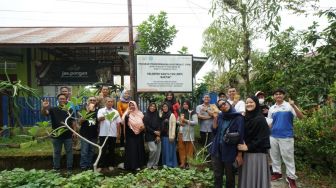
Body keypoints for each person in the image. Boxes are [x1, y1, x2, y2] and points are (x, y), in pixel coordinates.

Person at [268, 88, 304, 188]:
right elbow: (270, 123)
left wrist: (293, 105)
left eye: (280, 94)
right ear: (273, 96)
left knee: (288, 158)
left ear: (283, 95)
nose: (278, 95)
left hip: (286, 136)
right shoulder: (272, 108)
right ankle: (277, 173)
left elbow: (301, 117)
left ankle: (291, 178)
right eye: (276, 94)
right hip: (273, 136)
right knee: (274, 157)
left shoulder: (289, 106)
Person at [237, 96, 271, 188]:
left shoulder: (260, 119)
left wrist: (248, 147)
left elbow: (263, 138)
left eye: (251, 102)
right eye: (247, 103)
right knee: (247, 178)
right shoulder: (244, 118)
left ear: (256, 103)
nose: (249, 104)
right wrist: (240, 153)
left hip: (257, 154)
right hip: (246, 154)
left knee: (256, 178)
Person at [211, 100, 244, 188]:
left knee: (230, 177)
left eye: (224, 103)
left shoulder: (238, 117)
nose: (223, 106)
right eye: (220, 106)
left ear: (228, 103)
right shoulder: (220, 116)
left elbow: (241, 137)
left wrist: (239, 154)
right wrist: (215, 118)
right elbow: (214, 131)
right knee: (217, 176)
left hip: (230, 151)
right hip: (217, 150)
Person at [41, 93, 76, 171]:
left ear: (66, 100)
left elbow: (73, 122)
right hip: (56, 135)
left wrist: (74, 132)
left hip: (68, 135)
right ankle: (56, 168)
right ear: (58, 100)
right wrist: (44, 107)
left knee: (69, 152)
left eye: (63, 98)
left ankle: (69, 168)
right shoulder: (53, 109)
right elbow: (44, 113)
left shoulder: (69, 110)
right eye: (60, 99)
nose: (62, 100)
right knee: (57, 152)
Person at [97, 97, 122, 172]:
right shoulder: (101, 110)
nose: (110, 103)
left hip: (113, 134)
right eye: (108, 101)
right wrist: (106, 116)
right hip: (103, 134)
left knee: (112, 150)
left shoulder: (116, 111)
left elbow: (118, 123)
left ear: (113, 103)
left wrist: (118, 133)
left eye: (111, 101)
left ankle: (111, 165)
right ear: (105, 102)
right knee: (102, 150)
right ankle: (101, 165)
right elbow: (99, 119)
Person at [122, 101, 146, 171]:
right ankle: (133, 165)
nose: (132, 106)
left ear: (136, 105)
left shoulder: (140, 113)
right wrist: (127, 114)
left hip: (139, 134)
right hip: (130, 134)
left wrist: (143, 127)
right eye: (130, 105)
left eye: (133, 105)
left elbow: (144, 122)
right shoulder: (127, 114)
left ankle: (140, 164)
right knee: (132, 150)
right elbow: (123, 122)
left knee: (139, 149)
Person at [78, 96, 99, 170]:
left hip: (94, 134)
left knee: (91, 151)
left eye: (94, 100)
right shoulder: (83, 110)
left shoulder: (98, 111)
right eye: (91, 100)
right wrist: (88, 112)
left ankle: (90, 166)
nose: (92, 101)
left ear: (96, 102)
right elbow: (80, 122)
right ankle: (83, 166)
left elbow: (98, 123)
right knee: (84, 151)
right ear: (88, 101)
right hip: (84, 134)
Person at [177, 100, 198, 168]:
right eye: (184, 104)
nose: (185, 105)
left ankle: (189, 164)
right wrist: (180, 123)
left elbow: (195, 122)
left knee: (189, 149)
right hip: (181, 132)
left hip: (189, 133)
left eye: (186, 104)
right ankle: (183, 163)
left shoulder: (192, 112)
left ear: (189, 105)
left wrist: (185, 121)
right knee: (181, 148)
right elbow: (177, 120)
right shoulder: (181, 112)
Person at [144, 102, 161, 169]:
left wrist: (158, 135)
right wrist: (154, 132)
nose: (152, 107)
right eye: (151, 106)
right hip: (149, 135)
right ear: (149, 107)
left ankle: (155, 164)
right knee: (153, 150)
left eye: (154, 106)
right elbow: (146, 127)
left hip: (157, 135)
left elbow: (160, 125)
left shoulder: (157, 115)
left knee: (158, 151)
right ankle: (150, 163)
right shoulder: (146, 116)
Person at [160, 102, 178, 168]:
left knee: (170, 151)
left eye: (166, 107)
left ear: (168, 107)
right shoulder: (161, 115)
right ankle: (164, 163)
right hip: (163, 136)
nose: (164, 108)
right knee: (164, 150)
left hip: (169, 136)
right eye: (163, 107)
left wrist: (172, 136)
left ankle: (170, 164)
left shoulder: (171, 115)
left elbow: (174, 126)